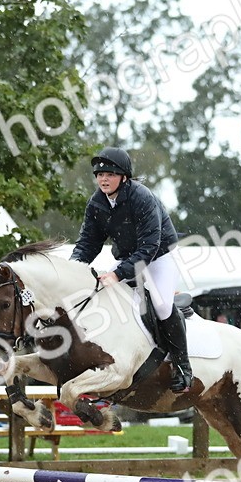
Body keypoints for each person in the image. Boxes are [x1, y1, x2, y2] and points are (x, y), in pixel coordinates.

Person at [69, 146, 192, 392]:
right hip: (127, 257)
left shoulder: (142, 197)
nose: (103, 179)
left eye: (110, 174)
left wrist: (117, 274)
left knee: (161, 305)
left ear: (124, 177)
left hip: (159, 257)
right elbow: (88, 243)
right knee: (102, 297)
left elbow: (149, 247)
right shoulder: (97, 203)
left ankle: (183, 367)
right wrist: (72, 268)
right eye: (100, 174)